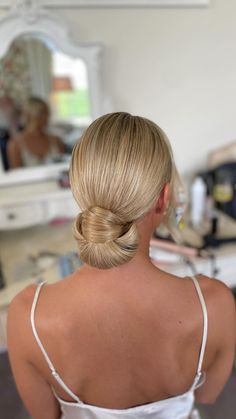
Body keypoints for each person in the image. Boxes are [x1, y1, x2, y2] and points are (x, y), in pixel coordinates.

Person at [7, 112, 236, 419]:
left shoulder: (28, 316)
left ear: (79, 193)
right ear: (163, 198)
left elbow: (46, 415)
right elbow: (208, 395)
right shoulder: (215, 304)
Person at [7, 96, 65, 168]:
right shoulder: (15, 144)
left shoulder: (56, 140)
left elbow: (63, 169)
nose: (47, 117)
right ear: (28, 114)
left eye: (47, 113)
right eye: (42, 113)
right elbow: (16, 175)